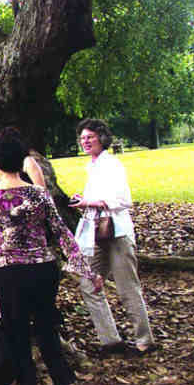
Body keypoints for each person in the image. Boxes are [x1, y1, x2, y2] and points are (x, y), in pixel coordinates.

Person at [0, 132, 103, 385]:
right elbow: (62, 233)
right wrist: (85, 269)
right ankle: (64, 381)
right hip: (44, 270)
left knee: (17, 336)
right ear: (22, 162)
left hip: (10, 274)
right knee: (46, 325)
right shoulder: (39, 194)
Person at [71, 119, 156, 356]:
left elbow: (124, 200)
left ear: (102, 138)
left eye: (90, 137)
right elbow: (96, 198)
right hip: (96, 235)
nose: (85, 142)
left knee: (127, 287)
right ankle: (110, 340)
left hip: (117, 233)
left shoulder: (112, 164)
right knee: (88, 284)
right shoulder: (92, 166)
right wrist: (84, 199)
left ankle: (144, 341)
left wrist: (90, 202)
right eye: (82, 138)